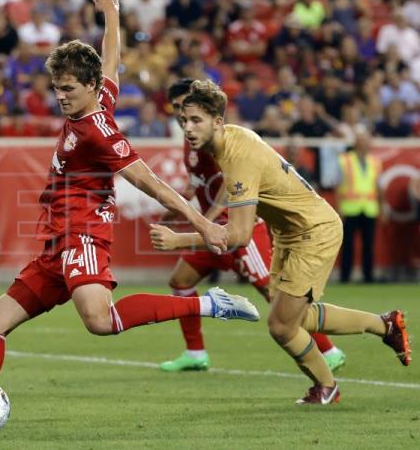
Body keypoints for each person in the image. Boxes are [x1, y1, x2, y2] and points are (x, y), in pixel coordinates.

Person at [0, 0, 260, 428]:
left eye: (69, 89)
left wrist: (203, 223)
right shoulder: (98, 98)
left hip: (84, 233)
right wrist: (112, 14)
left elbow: (149, 181)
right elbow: (112, 64)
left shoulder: (99, 130)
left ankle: (208, 305)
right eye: (58, 88)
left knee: (101, 321)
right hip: (57, 242)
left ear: (90, 88)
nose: (61, 97)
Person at [150, 80, 411, 404]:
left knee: (281, 326)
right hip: (290, 231)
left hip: (313, 231)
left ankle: (327, 386)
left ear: (218, 121)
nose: (187, 128)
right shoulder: (230, 141)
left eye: (196, 120)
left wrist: (179, 241)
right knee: (295, 318)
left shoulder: (237, 157)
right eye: (184, 120)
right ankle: (384, 326)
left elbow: (239, 236)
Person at [158, 79, 345, 373]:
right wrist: (183, 202)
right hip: (212, 232)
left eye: (189, 110)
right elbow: (203, 182)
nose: (185, 117)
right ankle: (195, 353)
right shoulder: (191, 140)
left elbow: (232, 180)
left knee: (277, 297)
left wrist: (214, 212)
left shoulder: (215, 141)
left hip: (238, 229)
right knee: (180, 281)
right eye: (179, 111)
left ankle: (328, 349)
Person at [336, 128, 382, 283]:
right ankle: (345, 276)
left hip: (369, 208)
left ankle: (368, 276)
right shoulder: (345, 160)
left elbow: (378, 186)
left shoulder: (375, 162)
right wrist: (339, 208)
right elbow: (338, 185)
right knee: (348, 245)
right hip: (350, 208)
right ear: (356, 142)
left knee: (368, 245)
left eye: (366, 139)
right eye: (361, 139)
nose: (364, 142)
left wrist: (382, 206)